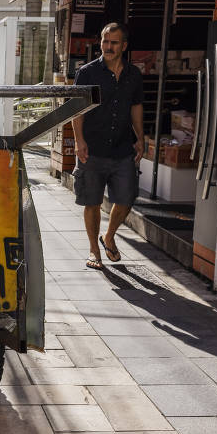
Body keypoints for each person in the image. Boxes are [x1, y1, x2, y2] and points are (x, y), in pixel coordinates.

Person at [72, 22, 143, 271]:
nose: (108, 47)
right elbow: (76, 109)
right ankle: (94, 249)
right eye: (105, 41)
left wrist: (141, 137)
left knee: (126, 196)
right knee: (91, 201)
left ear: (124, 45)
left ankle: (109, 236)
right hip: (92, 146)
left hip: (123, 146)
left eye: (114, 42)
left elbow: (135, 106)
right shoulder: (88, 73)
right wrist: (79, 140)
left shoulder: (134, 75)